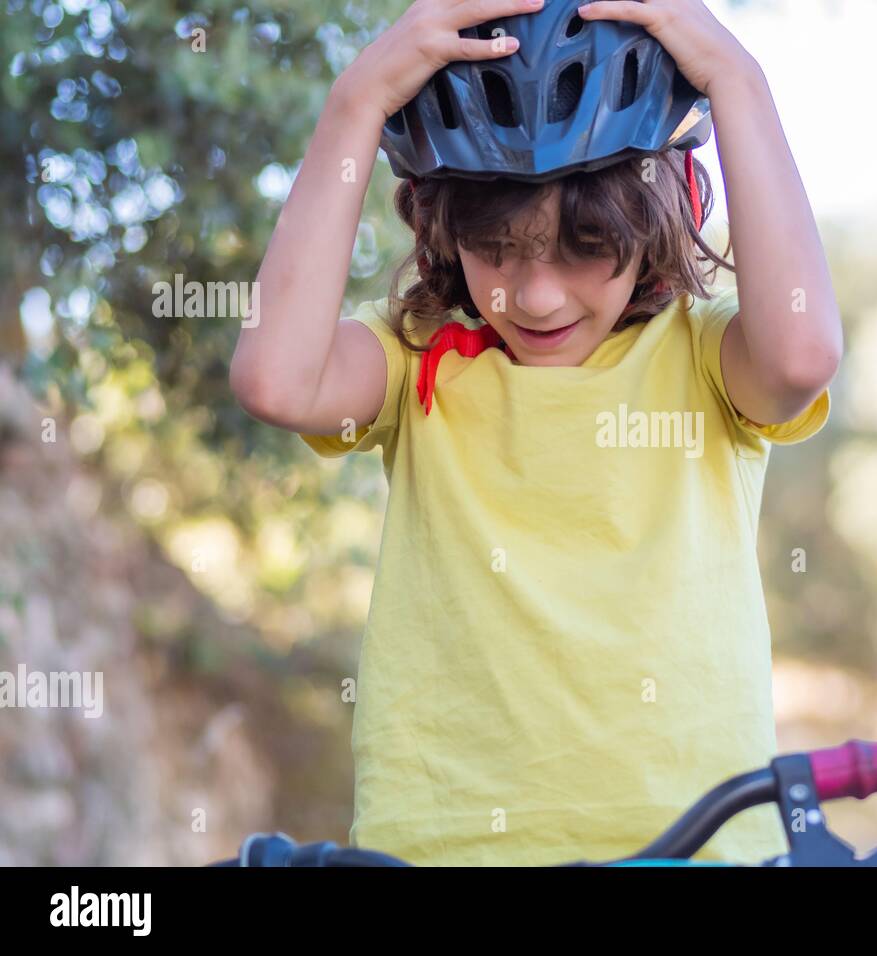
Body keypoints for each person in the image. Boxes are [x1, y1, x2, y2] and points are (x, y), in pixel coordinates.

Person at [229, 0, 842, 866]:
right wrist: (356, 104)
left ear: (665, 209)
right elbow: (275, 380)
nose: (538, 295)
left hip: (695, 848)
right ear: (443, 231)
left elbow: (803, 353)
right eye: (496, 249)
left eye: (586, 245)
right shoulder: (418, 360)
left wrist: (739, 82)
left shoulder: (707, 358)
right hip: (440, 852)